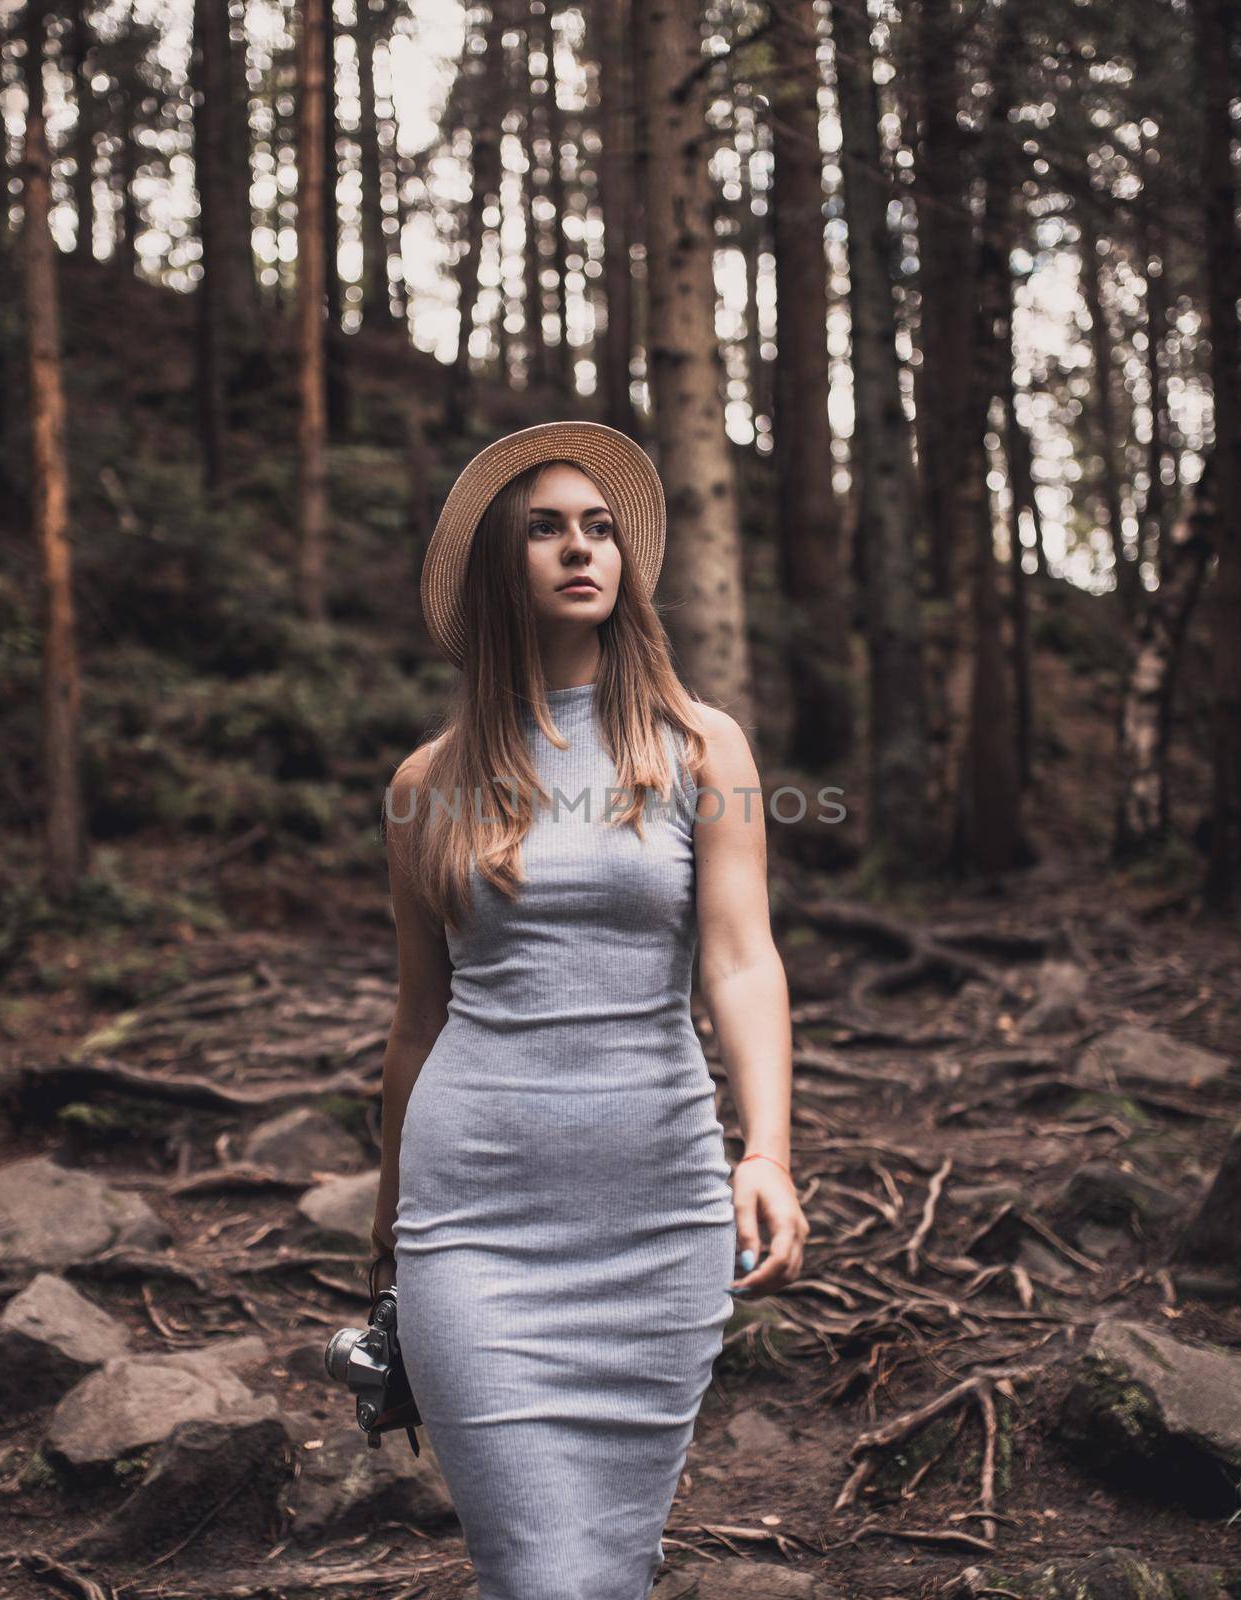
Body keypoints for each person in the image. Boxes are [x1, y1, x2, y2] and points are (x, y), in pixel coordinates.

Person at [369, 420, 806, 1599]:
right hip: (471, 1222)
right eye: (547, 528)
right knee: (537, 1570)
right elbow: (418, 1023)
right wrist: (387, 1227)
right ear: (496, 569)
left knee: (603, 1566)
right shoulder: (428, 783)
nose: (582, 548)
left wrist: (764, 1149)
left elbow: (739, 960)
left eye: (600, 527)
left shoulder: (698, 745)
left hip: (653, 1217)